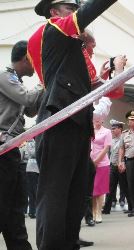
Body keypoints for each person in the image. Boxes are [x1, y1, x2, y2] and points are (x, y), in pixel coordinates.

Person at [28, 0, 118, 248]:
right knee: (55, 193)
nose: (76, 12)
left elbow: (87, 88)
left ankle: (68, 244)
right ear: (54, 12)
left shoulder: (72, 48)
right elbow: (88, 12)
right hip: (59, 119)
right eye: (70, 8)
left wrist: (109, 76)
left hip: (78, 121)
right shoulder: (53, 29)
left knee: (76, 193)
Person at [0, 40, 43, 250]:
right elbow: (26, 99)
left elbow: (30, 111)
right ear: (27, 58)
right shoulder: (5, 76)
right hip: (3, 151)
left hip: (12, 150)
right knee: (4, 205)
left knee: (16, 207)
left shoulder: (15, 80)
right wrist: (43, 82)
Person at [91, 97, 112, 223]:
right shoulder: (91, 130)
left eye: (99, 120)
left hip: (102, 163)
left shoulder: (107, 131)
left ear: (103, 120)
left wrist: (96, 161)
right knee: (92, 189)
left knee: (100, 189)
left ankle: (99, 212)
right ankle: (93, 212)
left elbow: (106, 148)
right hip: (91, 162)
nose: (97, 122)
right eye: (95, 120)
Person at [102, 119, 130, 214]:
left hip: (121, 166)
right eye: (111, 128)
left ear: (120, 129)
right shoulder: (112, 140)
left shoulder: (125, 138)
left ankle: (131, 207)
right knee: (109, 188)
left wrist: (123, 163)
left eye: (114, 128)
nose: (112, 130)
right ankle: (106, 209)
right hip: (113, 166)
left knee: (125, 188)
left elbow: (127, 153)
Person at [25, 139, 39, 219]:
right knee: (32, 191)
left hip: (38, 169)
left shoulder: (36, 141)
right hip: (31, 169)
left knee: (36, 191)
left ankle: (35, 211)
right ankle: (32, 212)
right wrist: (39, 149)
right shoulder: (30, 142)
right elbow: (32, 153)